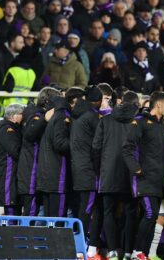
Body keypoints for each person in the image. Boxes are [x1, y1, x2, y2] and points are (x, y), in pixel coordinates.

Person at [122, 91, 164, 260]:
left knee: (154, 216)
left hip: (160, 180)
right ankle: (137, 252)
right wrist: (136, 170)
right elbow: (127, 148)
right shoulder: (141, 122)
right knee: (150, 215)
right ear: (158, 104)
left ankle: (143, 252)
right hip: (145, 179)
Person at [93, 91, 140, 260]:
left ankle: (112, 251)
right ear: (135, 104)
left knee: (108, 212)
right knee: (130, 212)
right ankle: (127, 252)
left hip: (109, 172)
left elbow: (96, 147)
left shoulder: (105, 120)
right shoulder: (136, 122)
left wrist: (100, 170)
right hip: (130, 173)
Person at [70, 86, 103, 259]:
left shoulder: (77, 115)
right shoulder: (92, 116)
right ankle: (81, 247)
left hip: (78, 169)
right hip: (89, 171)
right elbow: (99, 144)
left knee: (83, 208)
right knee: (88, 210)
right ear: (97, 101)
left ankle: (82, 246)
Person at [17, 87, 61, 216]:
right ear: (47, 101)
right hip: (31, 169)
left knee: (38, 210)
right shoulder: (35, 115)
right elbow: (29, 135)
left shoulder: (36, 114)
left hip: (36, 169)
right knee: (31, 210)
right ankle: (23, 236)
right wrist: (44, 120)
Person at [37, 92, 77, 218]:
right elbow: (60, 144)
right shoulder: (62, 116)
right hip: (58, 175)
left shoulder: (54, 116)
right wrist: (78, 144)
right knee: (57, 220)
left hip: (48, 175)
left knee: (49, 219)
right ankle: (56, 239)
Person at [0, 103, 25, 215]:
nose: (23, 117)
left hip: (8, 177)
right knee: (11, 212)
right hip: (7, 178)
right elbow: (16, 151)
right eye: (21, 114)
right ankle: (11, 232)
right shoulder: (8, 130)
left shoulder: (9, 129)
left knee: (14, 210)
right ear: (14, 116)